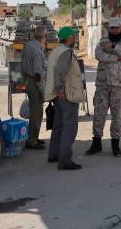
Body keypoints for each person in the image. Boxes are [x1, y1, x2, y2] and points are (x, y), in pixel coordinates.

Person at [86, 17, 121, 157]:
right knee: (99, 113)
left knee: (117, 115)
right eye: (111, 28)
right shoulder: (103, 41)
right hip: (103, 83)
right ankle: (96, 143)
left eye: (116, 27)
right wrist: (115, 57)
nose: (113, 30)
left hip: (119, 84)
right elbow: (98, 55)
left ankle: (116, 145)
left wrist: (114, 48)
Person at [45, 27, 86, 170]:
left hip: (58, 95)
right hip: (66, 95)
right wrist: (61, 90)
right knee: (69, 128)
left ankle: (54, 155)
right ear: (68, 38)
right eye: (73, 36)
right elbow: (60, 73)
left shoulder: (55, 51)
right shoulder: (65, 52)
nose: (75, 39)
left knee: (58, 126)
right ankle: (65, 161)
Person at [21, 25, 48, 150]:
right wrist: (43, 91)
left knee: (34, 113)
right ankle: (32, 141)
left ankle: (33, 137)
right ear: (44, 37)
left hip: (28, 80)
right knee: (37, 113)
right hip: (35, 83)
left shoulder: (29, 45)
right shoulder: (37, 51)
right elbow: (38, 74)